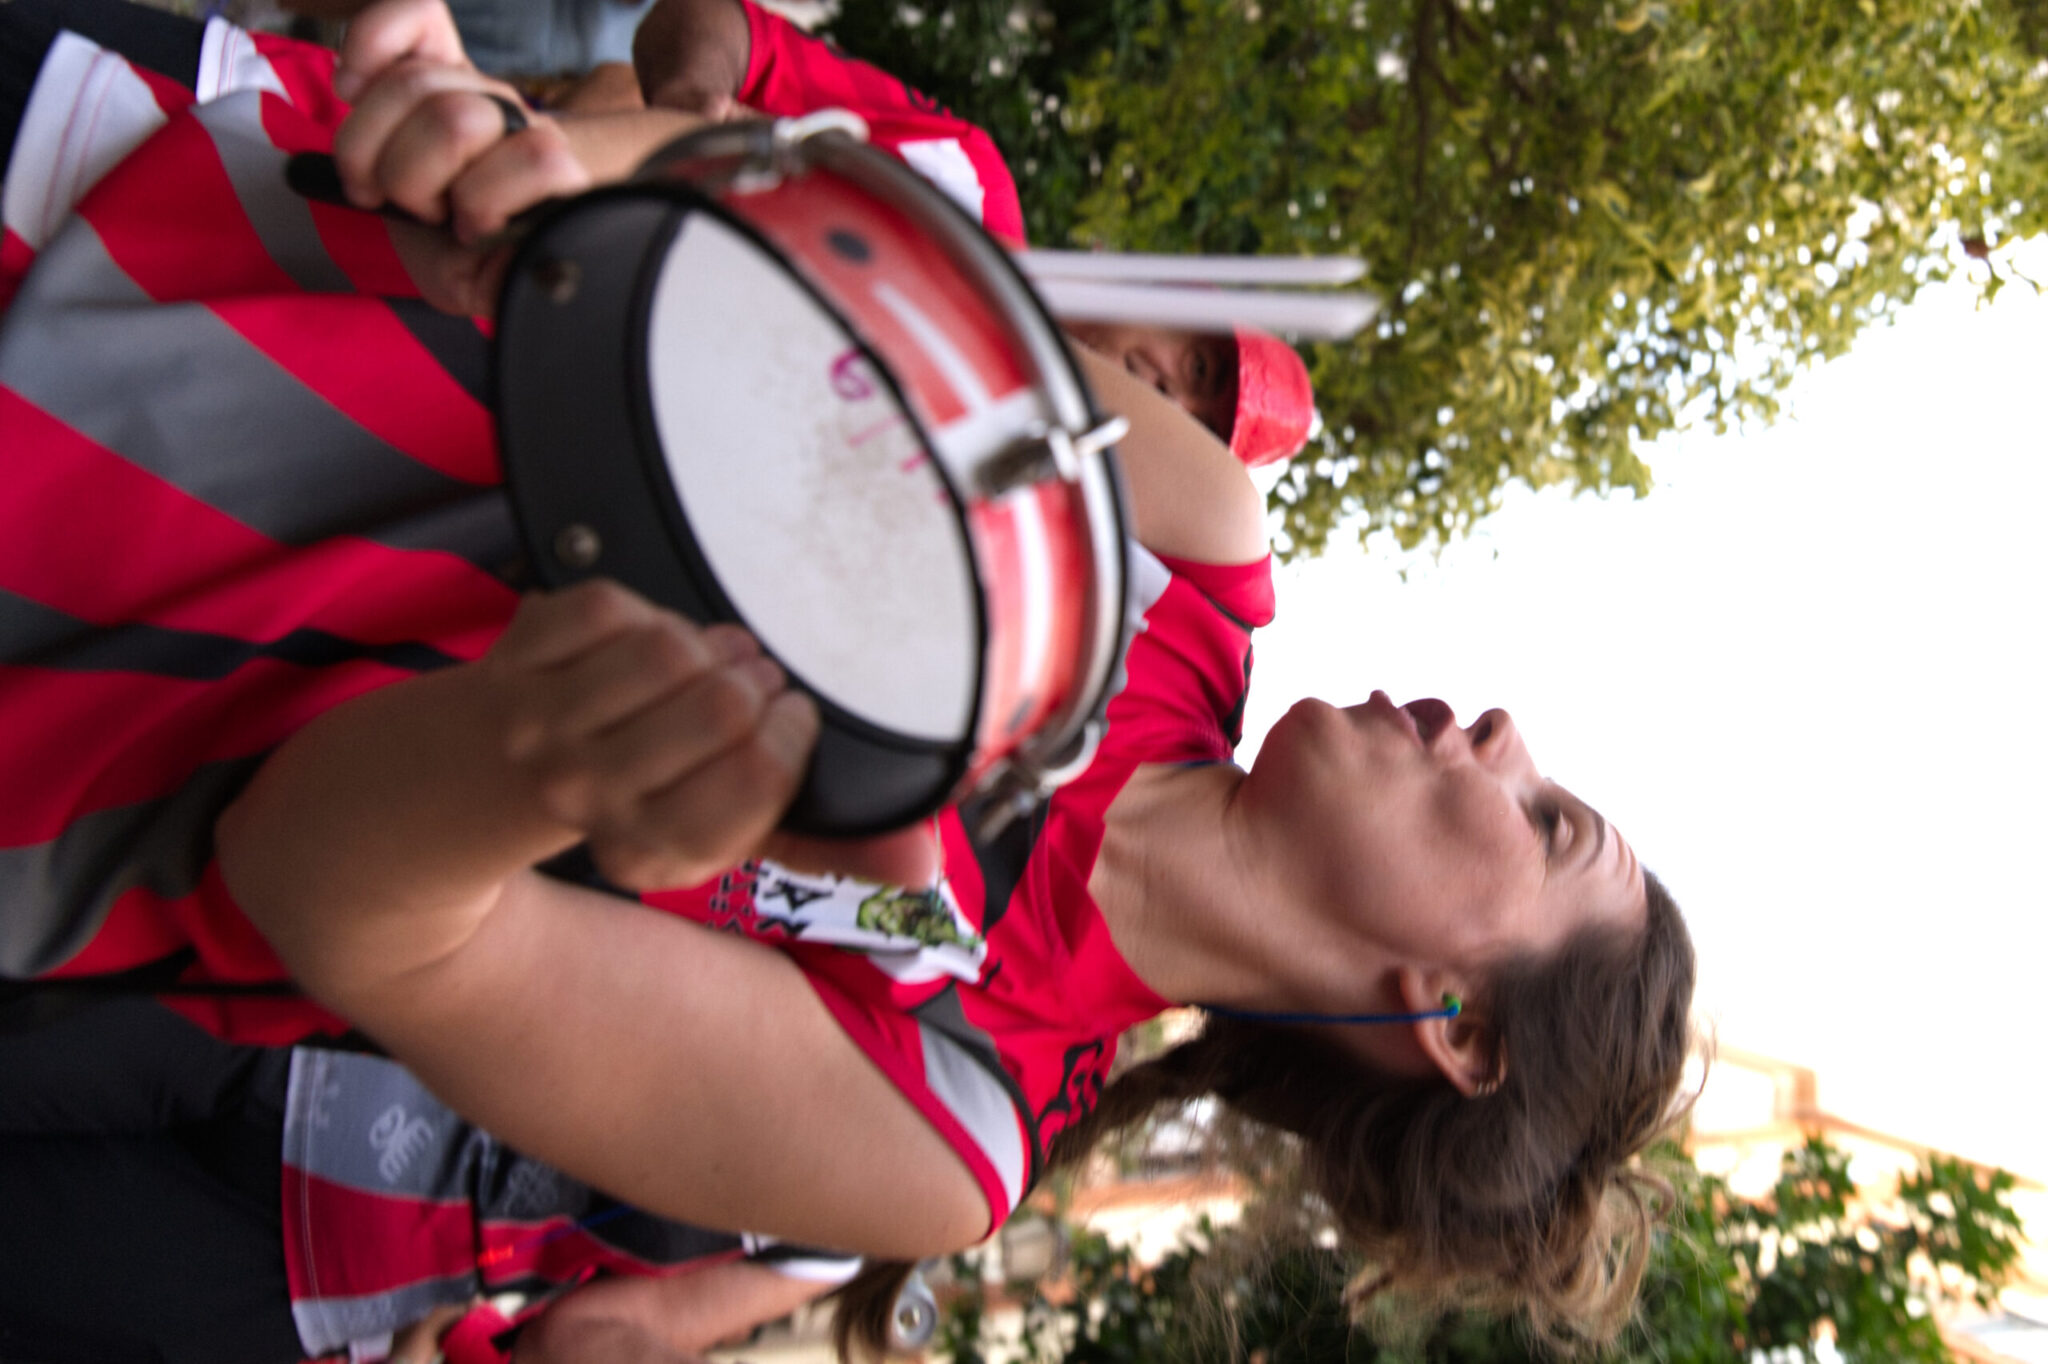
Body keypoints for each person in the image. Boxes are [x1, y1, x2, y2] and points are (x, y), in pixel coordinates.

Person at [0, 0, 1694, 1355]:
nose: (1504, 734)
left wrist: (539, 757)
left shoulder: (944, 1124)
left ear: (1451, 1020)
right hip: (119, 188)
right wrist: (566, 161)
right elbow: (811, 216)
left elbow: (325, 892)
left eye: (1545, 818)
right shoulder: (1198, 546)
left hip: (64, 686)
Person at [628, 0, 1320, 470]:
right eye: (1199, 369)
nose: (1173, 401)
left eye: (1196, 431)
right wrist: (688, 115)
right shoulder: (966, 174)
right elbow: (711, 22)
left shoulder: (975, 490)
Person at [0, 997, 853, 1364]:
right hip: (309, 1023)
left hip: (281, 1266)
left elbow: (576, 1338)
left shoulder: (826, 1247)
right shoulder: (864, 981)